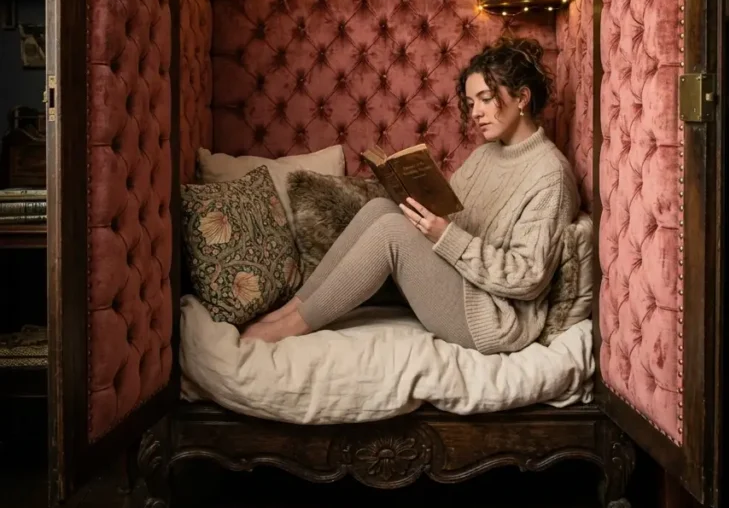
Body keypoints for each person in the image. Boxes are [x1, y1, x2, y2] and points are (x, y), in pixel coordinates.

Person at [241, 36, 579, 352]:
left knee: (392, 231)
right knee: (380, 208)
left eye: (486, 99)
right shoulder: (486, 154)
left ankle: (293, 326)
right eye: (470, 102)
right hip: (461, 280)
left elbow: (527, 278)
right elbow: (455, 216)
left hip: (494, 317)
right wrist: (420, 206)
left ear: (522, 98)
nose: (475, 112)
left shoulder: (550, 174)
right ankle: (291, 309)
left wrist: (445, 234)